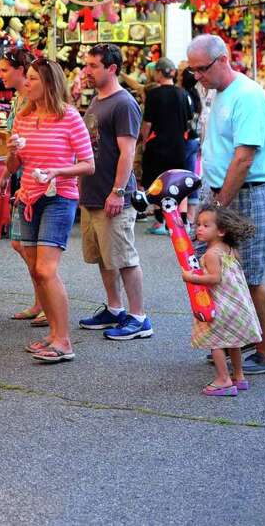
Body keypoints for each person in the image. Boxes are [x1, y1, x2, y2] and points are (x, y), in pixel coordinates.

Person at [186, 34, 265, 375]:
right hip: (221, 192)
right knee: (219, 273)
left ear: (223, 59)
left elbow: (243, 158)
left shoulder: (249, 95)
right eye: (193, 70)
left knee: (249, 277)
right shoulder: (217, 92)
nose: (198, 76)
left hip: (247, 194)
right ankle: (236, 341)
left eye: (202, 69)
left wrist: (218, 205)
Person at [5, 58, 95, 363]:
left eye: (32, 79)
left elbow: (88, 164)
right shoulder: (23, 117)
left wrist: (57, 171)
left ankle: (64, 341)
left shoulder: (69, 117)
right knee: (35, 270)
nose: (26, 83)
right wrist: (12, 152)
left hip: (60, 197)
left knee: (46, 269)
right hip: (28, 196)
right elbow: (15, 166)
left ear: (49, 83)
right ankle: (54, 334)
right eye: (26, 78)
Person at [73, 44, 152, 342]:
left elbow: (128, 152)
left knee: (124, 257)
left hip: (113, 194)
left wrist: (118, 191)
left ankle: (139, 317)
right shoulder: (96, 100)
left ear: (112, 69)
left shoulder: (124, 103)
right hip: (92, 194)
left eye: (93, 65)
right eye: (87, 64)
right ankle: (115, 308)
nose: (87, 70)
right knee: (105, 258)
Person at [185, 205, 263, 397]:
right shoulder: (229, 249)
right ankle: (239, 376)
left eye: (205, 225)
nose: (199, 229)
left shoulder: (211, 254)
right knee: (233, 342)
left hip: (221, 306)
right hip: (235, 305)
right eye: (198, 225)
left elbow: (214, 278)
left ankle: (223, 380)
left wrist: (191, 277)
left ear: (220, 230)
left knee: (217, 342)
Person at [0, 49, 46, 326]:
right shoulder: (18, 99)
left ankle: (45, 303)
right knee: (23, 243)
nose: (0, 75)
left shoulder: (32, 97)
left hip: (36, 179)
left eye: (4, 70)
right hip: (23, 176)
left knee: (30, 245)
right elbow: (15, 141)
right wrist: (6, 173)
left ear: (20, 69)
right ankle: (40, 301)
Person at [139, 57, 192, 237]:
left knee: (157, 182)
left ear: (159, 73)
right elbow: (189, 121)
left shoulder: (154, 94)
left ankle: (161, 221)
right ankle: (182, 220)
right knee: (179, 181)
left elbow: (147, 123)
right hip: (178, 145)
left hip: (157, 144)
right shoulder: (183, 94)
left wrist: (145, 140)